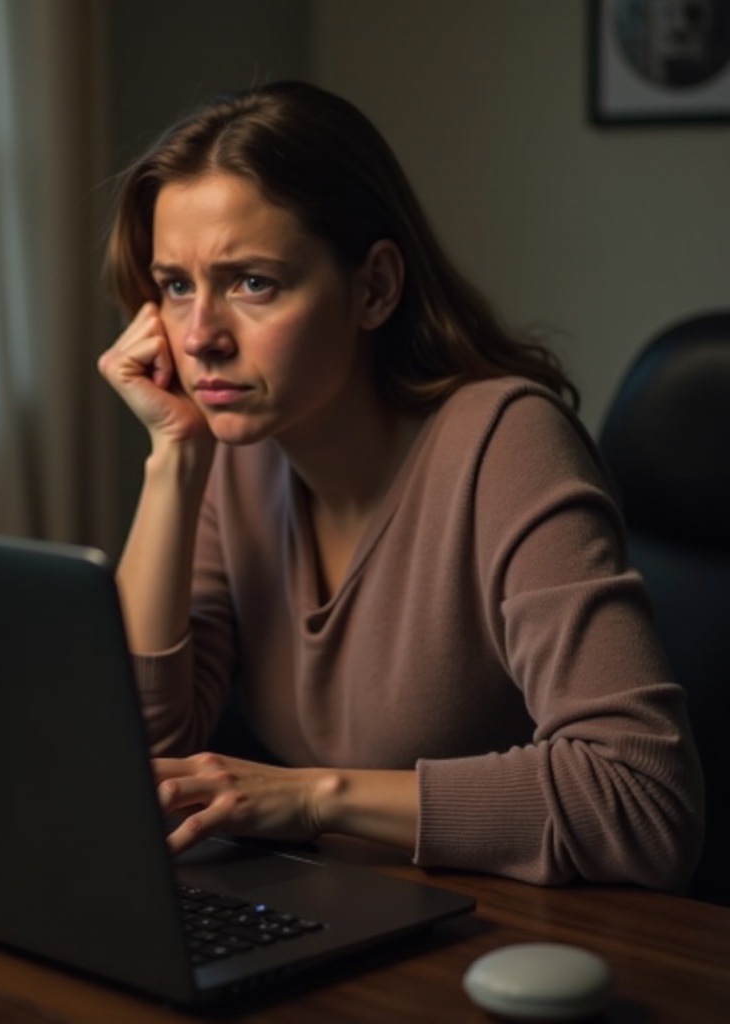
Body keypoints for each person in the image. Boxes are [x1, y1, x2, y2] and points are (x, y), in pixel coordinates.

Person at [96, 80, 704, 891]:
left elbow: (644, 799)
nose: (200, 336)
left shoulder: (507, 443)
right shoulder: (237, 449)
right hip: (355, 909)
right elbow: (150, 755)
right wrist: (173, 458)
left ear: (374, 288)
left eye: (253, 283)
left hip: (520, 937)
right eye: (176, 285)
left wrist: (314, 799)